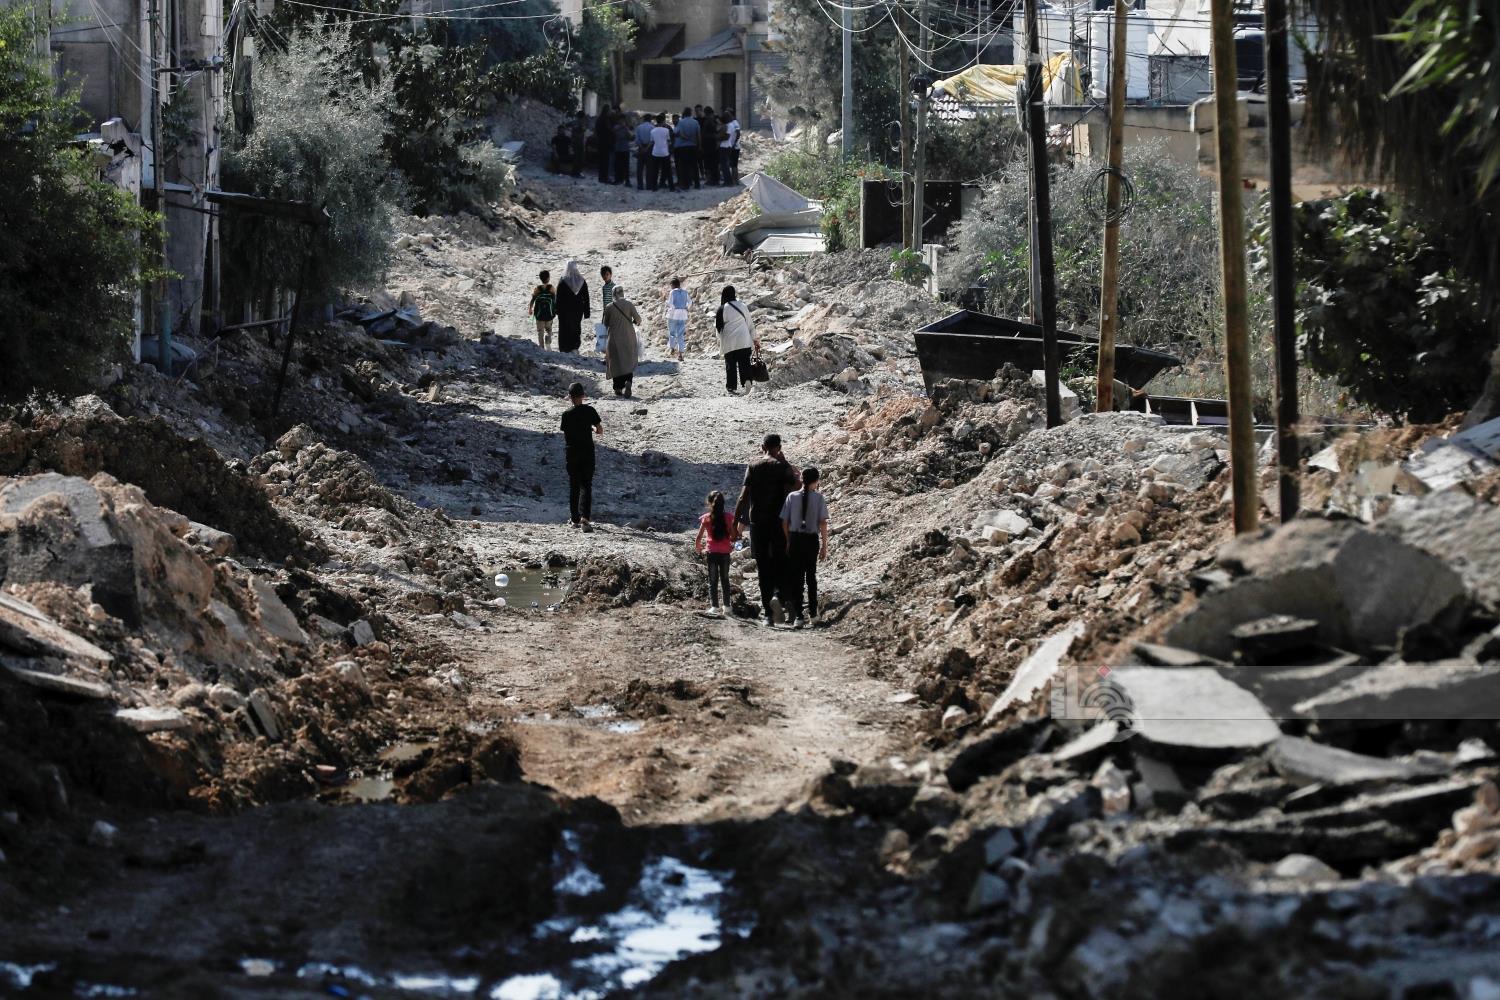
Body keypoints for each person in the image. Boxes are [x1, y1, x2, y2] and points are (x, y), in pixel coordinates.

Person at [735, 434, 798, 626]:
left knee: (763, 566)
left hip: (757, 523)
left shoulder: (753, 466)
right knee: (781, 561)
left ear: (762, 447)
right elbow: (795, 489)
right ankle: (778, 596)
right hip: (779, 522)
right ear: (779, 447)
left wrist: (735, 523)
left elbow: (743, 497)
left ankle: (768, 615)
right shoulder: (782, 467)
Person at [781, 467, 829, 629]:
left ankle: (799, 616)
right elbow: (823, 523)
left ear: (801, 479)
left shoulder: (791, 496)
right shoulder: (819, 498)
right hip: (811, 540)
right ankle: (813, 614)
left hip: (795, 539)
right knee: (811, 576)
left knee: (797, 578)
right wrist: (824, 545)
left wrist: (788, 541)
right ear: (816, 481)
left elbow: (784, 522)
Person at [560, 381, 603, 532]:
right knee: (586, 485)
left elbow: (567, 434)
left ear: (570, 397)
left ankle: (574, 519)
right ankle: (585, 518)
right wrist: (591, 429)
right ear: (583, 396)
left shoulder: (566, 415)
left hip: (572, 453)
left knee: (574, 486)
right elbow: (600, 430)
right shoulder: (590, 411)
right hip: (587, 452)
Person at [694, 490, 740, 616]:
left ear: (709, 503)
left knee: (713, 580)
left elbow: (699, 537)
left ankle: (714, 606)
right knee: (725, 579)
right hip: (725, 553)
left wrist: (698, 548)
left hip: (712, 552)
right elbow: (733, 535)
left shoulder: (706, 518)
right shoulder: (729, 517)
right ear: (723, 503)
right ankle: (727, 607)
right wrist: (734, 538)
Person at [715, 285, 759, 395]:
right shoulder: (742, 306)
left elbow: (718, 329)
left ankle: (731, 387)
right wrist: (755, 339)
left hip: (729, 342)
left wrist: (721, 340)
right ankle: (747, 381)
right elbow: (750, 324)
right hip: (744, 340)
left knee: (731, 365)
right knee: (745, 363)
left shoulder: (722, 309)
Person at [603, 284, 642, 398]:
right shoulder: (629, 304)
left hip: (614, 338)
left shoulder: (609, 307)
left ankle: (618, 387)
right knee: (628, 360)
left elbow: (605, 323)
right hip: (629, 336)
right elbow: (638, 319)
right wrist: (633, 322)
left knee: (615, 361)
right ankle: (628, 381)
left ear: (613, 294)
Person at [556, 260, 590, 353]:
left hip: (564, 311)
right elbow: (586, 297)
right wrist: (586, 312)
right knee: (576, 327)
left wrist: (557, 310)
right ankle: (575, 347)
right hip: (578, 310)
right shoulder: (581, 281)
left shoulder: (562, 280)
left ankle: (564, 348)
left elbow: (558, 297)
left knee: (564, 328)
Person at [673, 106, 700, 191]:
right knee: (694, 165)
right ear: (691, 113)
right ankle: (697, 184)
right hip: (693, 146)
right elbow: (698, 134)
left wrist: (687, 138)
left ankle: (686, 184)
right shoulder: (695, 122)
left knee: (684, 166)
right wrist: (699, 145)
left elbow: (679, 133)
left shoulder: (681, 122)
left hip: (683, 147)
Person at [528, 269, 556, 349]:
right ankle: (548, 341)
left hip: (539, 315)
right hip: (549, 315)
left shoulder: (537, 288)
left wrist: (530, 309)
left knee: (540, 331)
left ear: (540, 278)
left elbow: (533, 299)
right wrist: (555, 310)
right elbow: (555, 299)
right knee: (549, 329)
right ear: (548, 278)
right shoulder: (551, 288)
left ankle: (541, 347)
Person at [664, 277, 690, 362]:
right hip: (682, 314)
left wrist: (667, 304)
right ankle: (680, 354)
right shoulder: (685, 292)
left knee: (672, 332)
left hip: (673, 314)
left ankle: (672, 348)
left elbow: (670, 303)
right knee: (680, 334)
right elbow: (690, 302)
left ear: (672, 285)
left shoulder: (673, 292)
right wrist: (686, 307)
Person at [649, 113, 674, 191]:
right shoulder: (666, 130)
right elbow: (669, 142)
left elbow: (652, 142)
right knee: (668, 170)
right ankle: (671, 187)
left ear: (656, 121)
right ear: (663, 121)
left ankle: (654, 187)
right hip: (665, 152)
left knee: (655, 170)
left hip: (655, 152)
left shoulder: (652, 131)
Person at [597, 265, 616, 353]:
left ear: (611, 274)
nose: (605, 276)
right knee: (604, 329)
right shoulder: (604, 287)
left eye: (607, 274)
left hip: (613, 311)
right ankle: (606, 350)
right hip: (606, 311)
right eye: (603, 275)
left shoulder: (614, 286)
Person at [720, 108, 741, 185]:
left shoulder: (735, 123)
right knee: (731, 164)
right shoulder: (731, 123)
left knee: (734, 164)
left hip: (734, 147)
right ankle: (733, 180)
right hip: (731, 146)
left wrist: (734, 143)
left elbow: (738, 134)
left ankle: (735, 180)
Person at [634, 112, 655, 190]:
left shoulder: (639, 127)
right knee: (649, 167)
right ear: (650, 119)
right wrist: (647, 148)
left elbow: (637, 140)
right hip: (649, 148)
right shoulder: (652, 127)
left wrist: (641, 147)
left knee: (640, 167)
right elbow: (652, 140)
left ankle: (640, 185)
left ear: (644, 119)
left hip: (641, 147)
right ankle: (649, 185)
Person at [700, 108, 720, 187]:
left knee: (710, 163)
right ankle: (714, 179)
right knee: (713, 163)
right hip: (711, 144)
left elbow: (713, 132)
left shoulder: (709, 121)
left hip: (709, 144)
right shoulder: (713, 120)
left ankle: (712, 180)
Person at [612, 114, 633, 187]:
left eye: (623, 120)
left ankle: (626, 180)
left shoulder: (626, 128)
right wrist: (622, 127)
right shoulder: (616, 127)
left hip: (625, 148)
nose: (622, 121)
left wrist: (626, 129)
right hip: (618, 148)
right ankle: (618, 179)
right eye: (621, 120)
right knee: (618, 166)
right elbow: (614, 134)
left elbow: (630, 137)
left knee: (625, 166)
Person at [594, 108, 613, 183]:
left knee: (602, 161)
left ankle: (601, 178)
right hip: (605, 143)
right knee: (605, 161)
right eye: (609, 111)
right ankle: (604, 178)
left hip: (600, 142)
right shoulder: (605, 120)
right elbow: (609, 129)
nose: (610, 113)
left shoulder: (599, 119)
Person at [570, 110, 587, 178]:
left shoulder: (575, 122)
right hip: (577, 142)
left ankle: (576, 172)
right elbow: (583, 129)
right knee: (578, 158)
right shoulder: (579, 123)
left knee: (578, 158)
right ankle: (576, 172)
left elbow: (567, 125)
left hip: (577, 142)